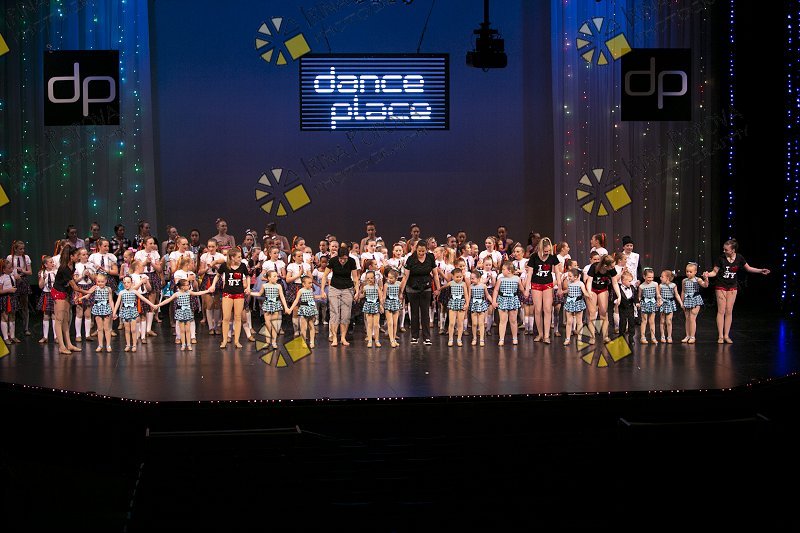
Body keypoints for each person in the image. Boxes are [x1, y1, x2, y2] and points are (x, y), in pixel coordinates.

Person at [703, 239, 770, 344]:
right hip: (721, 286)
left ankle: (726, 335)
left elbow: (748, 268)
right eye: (724, 249)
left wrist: (760, 270)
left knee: (729, 311)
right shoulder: (721, 258)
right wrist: (707, 274)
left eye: (726, 250)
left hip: (732, 287)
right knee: (721, 311)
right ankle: (720, 336)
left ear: (733, 250)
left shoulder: (739, 258)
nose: (724, 251)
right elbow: (714, 272)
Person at [399, 241, 439, 345]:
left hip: (426, 288)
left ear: (426, 250)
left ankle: (427, 337)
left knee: (425, 313)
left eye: (423, 251)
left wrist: (438, 288)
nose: (421, 253)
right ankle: (414, 336)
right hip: (413, 288)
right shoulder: (411, 259)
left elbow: (435, 274)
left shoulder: (430, 257)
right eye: (419, 251)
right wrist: (401, 291)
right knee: (414, 313)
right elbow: (405, 276)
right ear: (416, 249)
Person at [154, 279, 211, 351]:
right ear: (182, 287)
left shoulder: (189, 292)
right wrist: (158, 305)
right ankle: (183, 344)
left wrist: (208, 291)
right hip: (181, 312)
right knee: (182, 330)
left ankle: (189, 344)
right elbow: (167, 300)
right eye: (187, 285)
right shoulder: (177, 294)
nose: (189, 286)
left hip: (187, 312)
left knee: (188, 330)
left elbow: (198, 293)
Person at [210, 248, 249, 348]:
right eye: (238, 257)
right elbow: (217, 276)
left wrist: (248, 287)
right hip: (227, 293)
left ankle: (237, 341)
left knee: (238, 317)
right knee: (226, 317)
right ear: (232, 257)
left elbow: (247, 276)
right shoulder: (225, 266)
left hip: (239, 293)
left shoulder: (242, 266)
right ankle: (224, 340)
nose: (240, 258)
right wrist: (213, 285)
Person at [320, 246, 359, 347]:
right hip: (334, 288)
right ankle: (334, 338)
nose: (343, 261)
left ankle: (343, 338)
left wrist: (357, 291)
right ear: (338, 257)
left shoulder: (351, 261)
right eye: (341, 258)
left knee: (346, 315)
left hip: (348, 289)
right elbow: (324, 276)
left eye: (345, 259)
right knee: (334, 314)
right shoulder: (333, 260)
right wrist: (322, 290)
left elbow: (355, 278)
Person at [525, 238, 561, 344]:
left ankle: (546, 335)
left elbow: (557, 272)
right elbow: (529, 273)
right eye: (545, 251)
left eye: (548, 251)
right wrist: (527, 289)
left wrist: (559, 287)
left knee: (547, 309)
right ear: (540, 249)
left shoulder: (552, 257)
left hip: (548, 284)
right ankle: (540, 333)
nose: (547, 253)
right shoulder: (534, 257)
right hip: (536, 284)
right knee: (537, 309)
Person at [52, 246, 88, 354]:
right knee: (59, 319)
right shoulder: (64, 268)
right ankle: (61, 346)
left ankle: (69, 344)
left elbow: (71, 283)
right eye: (77, 255)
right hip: (59, 292)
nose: (78, 257)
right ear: (71, 256)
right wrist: (88, 292)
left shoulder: (72, 265)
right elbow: (75, 287)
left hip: (66, 292)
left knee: (66, 319)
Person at [112, 275, 155, 352]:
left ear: (132, 283)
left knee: (133, 330)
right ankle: (128, 345)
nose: (126, 284)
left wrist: (152, 305)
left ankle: (134, 345)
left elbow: (143, 299)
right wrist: (114, 313)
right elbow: (117, 303)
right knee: (127, 330)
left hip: (132, 312)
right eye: (125, 283)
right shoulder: (121, 292)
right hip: (125, 312)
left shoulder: (134, 291)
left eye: (128, 282)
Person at [585, 254, 621, 344]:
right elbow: (589, 281)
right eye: (611, 266)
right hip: (592, 289)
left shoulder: (611, 269)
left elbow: (615, 283)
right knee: (592, 313)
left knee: (603, 313)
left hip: (603, 289)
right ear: (605, 266)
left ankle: (605, 336)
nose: (613, 268)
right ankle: (592, 337)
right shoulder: (594, 267)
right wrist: (589, 291)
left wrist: (619, 295)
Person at [250, 270, 290, 349]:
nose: (276, 278)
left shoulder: (278, 286)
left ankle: (274, 342)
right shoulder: (265, 285)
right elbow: (259, 294)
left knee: (274, 324)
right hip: (267, 304)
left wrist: (286, 307)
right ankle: (267, 341)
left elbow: (282, 297)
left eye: (276, 276)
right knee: (267, 324)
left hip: (275, 304)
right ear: (269, 278)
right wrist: (250, 293)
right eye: (274, 276)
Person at [77, 272, 114, 353]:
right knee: (99, 329)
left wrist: (114, 311)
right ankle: (100, 345)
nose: (100, 283)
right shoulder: (95, 288)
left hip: (106, 308)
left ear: (106, 281)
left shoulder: (108, 289)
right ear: (96, 281)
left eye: (102, 281)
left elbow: (111, 301)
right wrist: (80, 298)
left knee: (107, 328)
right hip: (98, 308)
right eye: (98, 281)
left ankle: (108, 345)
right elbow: (88, 295)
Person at [491, 261, 527, 346]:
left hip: (513, 300)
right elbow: (496, 290)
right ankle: (501, 339)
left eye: (504, 269)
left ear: (509, 270)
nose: (502, 271)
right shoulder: (500, 279)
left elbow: (521, 289)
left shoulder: (517, 279)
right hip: (503, 300)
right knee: (503, 321)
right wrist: (494, 301)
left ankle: (515, 338)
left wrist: (525, 293)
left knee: (513, 321)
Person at [134, 237, 161, 338]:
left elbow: (159, 269)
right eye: (150, 243)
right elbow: (136, 266)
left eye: (153, 243)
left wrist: (152, 263)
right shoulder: (139, 254)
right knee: (141, 302)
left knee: (151, 304)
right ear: (145, 244)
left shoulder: (155, 254)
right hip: (142, 276)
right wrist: (145, 262)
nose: (152, 245)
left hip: (152, 276)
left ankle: (148, 329)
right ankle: (140, 329)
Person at [199, 239, 225, 335]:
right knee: (209, 304)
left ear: (216, 247)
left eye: (213, 246)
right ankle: (210, 327)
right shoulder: (204, 256)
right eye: (209, 246)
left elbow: (223, 268)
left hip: (217, 277)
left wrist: (216, 266)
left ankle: (216, 326)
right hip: (208, 278)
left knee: (217, 304)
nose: (210, 248)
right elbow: (200, 271)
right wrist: (207, 268)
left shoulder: (220, 256)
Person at [7, 240, 32, 336]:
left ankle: (26, 328)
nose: (22, 251)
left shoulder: (26, 257)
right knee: (12, 305)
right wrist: (14, 275)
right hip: (13, 281)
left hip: (23, 280)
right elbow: (7, 269)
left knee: (24, 305)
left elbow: (30, 272)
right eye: (20, 249)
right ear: (15, 249)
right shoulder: (10, 257)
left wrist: (23, 271)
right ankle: (11, 330)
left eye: (23, 249)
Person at [681, 262, 708, 344]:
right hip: (687, 300)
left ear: (695, 272)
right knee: (687, 319)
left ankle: (692, 336)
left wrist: (706, 279)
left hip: (695, 299)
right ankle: (687, 336)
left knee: (692, 318)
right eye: (687, 271)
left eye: (690, 272)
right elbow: (683, 291)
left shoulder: (697, 279)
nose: (688, 273)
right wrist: (682, 302)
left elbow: (705, 285)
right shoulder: (684, 280)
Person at [562, 267, 590, 346]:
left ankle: (579, 339)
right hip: (570, 303)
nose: (568, 277)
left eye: (570, 276)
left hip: (578, 303)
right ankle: (567, 338)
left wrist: (589, 295)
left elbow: (584, 292)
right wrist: (563, 292)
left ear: (576, 277)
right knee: (569, 322)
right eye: (568, 276)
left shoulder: (580, 283)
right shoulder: (569, 282)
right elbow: (569, 290)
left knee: (579, 322)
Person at [73, 248, 96, 342]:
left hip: (89, 287)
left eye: (87, 254)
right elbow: (75, 280)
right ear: (79, 256)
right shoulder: (76, 266)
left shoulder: (91, 265)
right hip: (80, 288)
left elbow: (95, 279)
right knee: (79, 312)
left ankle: (87, 334)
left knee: (88, 312)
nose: (86, 256)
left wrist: (89, 275)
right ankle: (78, 334)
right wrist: (82, 276)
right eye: (83, 255)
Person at [358, 270, 383, 348]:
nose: (370, 280)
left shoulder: (377, 287)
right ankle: (369, 340)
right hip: (368, 305)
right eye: (368, 278)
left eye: (371, 278)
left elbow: (381, 297)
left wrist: (381, 305)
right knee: (369, 324)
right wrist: (358, 293)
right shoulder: (365, 287)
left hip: (375, 305)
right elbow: (362, 295)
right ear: (366, 279)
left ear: (374, 278)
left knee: (376, 324)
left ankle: (377, 340)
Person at [658, 270, 683, 343]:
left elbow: (676, 295)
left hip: (670, 304)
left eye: (662, 277)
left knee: (669, 321)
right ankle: (662, 335)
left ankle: (669, 336)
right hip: (663, 303)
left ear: (667, 278)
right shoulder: (660, 286)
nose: (660, 278)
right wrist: (659, 301)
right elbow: (658, 295)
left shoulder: (673, 285)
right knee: (662, 321)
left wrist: (681, 303)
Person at [638, 268, 661, 344]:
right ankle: (642, 337)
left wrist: (659, 299)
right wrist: (638, 303)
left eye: (652, 277)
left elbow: (657, 294)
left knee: (652, 321)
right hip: (645, 303)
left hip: (652, 303)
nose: (650, 279)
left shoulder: (655, 284)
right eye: (649, 277)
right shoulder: (641, 286)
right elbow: (639, 296)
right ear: (644, 277)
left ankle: (653, 337)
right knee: (644, 320)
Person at [468, 270, 492, 347]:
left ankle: (481, 339)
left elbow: (487, 295)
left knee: (481, 323)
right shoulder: (471, 286)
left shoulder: (483, 286)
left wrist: (493, 302)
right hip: (474, 305)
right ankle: (474, 338)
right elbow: (469, 297)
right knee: (474, 323)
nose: (471, 280)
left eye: (473, 278)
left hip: (481, 304)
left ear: (478, 278)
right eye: (471, 278)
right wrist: (467, 304)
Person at [37, 256, 58, 344]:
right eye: (50, 262)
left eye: (53, 262)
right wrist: (43, 278)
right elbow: (40, 286)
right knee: (46, 315)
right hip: (46, 294)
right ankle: (45, 337)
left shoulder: (56, 272)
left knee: (54, 315)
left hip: (54, 294)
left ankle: (56, 336)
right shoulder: (42, 272)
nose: (53, 263)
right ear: (45, 264)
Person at [615, 270, 638, 345]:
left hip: (630, 308)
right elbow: (616, 296)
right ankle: (621, 336)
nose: (630, 283)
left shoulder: (632, 288)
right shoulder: (619, 288)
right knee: (623, 322)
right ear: (623, 281)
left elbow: (635, 296)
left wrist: (637, 302)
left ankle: (631, 337)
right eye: (629, 281)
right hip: (623, 308)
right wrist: (616, 301)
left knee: (631, 323)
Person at [446, 268, 468, 347]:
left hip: (461, 302)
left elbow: (466, 294)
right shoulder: (451, 283)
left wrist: (467, 304)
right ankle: (450, 339)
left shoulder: (463, 284)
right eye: (457, 277)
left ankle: (459, 339)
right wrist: (438, 290)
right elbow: (443, 288)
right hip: (453, 302)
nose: (459, 278)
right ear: (453, 276)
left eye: (460, 277)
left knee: (460, 322)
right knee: (452, 322)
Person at [0, 259, 20, 344]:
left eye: (12, 267)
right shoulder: (2, 278)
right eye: (9, 268)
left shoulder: (12, 276)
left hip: (12, 297)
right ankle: (5, 337)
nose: (11, 269)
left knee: (12, 316)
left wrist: (18, 279)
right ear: (4, 270)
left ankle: (12, 336)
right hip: (5, 298)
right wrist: (9, 290)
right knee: (5, 317)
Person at [381, 268, 402, 348]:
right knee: (390, 323)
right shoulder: (386, 285)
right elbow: (384, 296)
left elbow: (400, 294)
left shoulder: (399, 284)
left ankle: (394, 338)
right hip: (388, 303)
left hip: (396, 303)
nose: (389, 279)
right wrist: (381, 305)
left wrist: (401, 299)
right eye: (388, 277)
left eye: (391, 278)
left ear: (396, 278)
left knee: (395, 323)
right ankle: (391, 340)